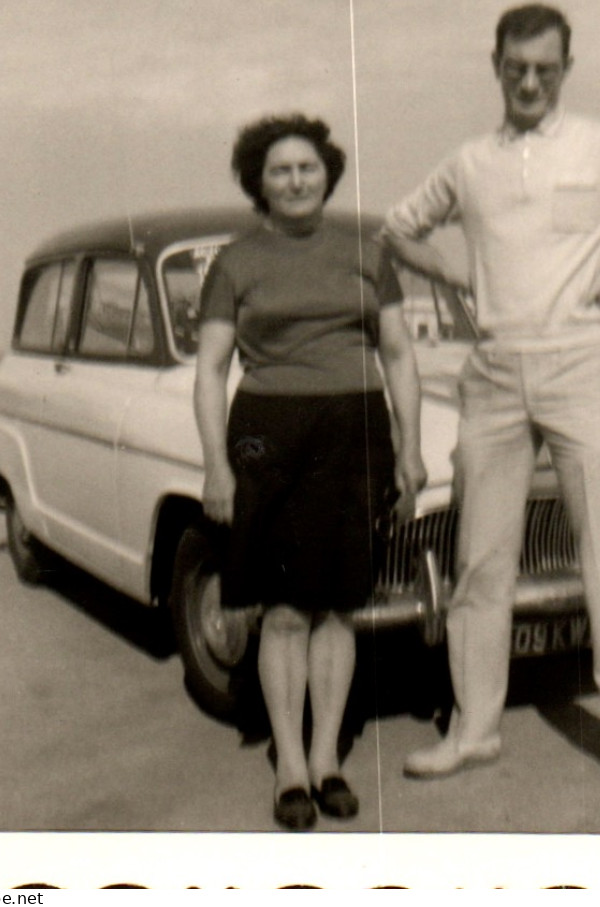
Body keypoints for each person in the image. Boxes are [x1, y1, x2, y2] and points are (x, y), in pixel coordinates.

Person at [382, 3, 600, 805]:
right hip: (495, 373)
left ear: (566, 68)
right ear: (496, 66)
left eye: (545, 67)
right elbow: (399, 230)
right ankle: (473, 729)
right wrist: (453, 276)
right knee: (479, 560)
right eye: (516, 68)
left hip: (579, 365)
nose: (530, 81)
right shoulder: (468, 163)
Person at [195, 113, 426, 831]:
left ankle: (329, 758)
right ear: (258, 184)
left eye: (306, 167)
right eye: (279, 170)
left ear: (327, 173)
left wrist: (409, 443)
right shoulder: (235, 262)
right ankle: (289, 764)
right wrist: (215, 468)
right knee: (285, 609)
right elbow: (208, 370)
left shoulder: (366, 252)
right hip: (268, 434)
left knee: (338, 606)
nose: (295, 180)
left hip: (354, 432)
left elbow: (397, 356)